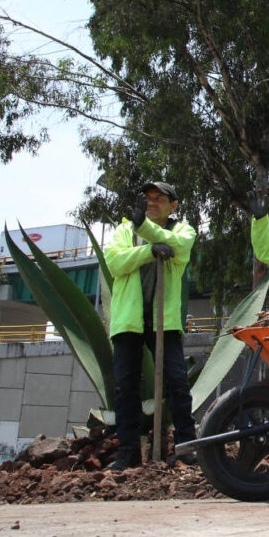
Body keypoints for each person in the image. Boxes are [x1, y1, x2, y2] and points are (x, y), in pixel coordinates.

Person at [104, 180, 198, 470]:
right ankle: (128, 453)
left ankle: (185, 448)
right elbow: (115, 264)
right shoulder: (123, 230)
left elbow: (179, 247)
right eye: (148, 197)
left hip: (164, 321)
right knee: (126, 387)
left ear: (174, 205)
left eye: (160, 198)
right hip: (129, 321)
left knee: (177, 383)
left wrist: (145, 229)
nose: (152, 202)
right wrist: (149, 250)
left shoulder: (183, 231)